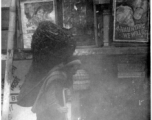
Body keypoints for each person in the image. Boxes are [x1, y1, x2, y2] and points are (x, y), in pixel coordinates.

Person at [17, 21, 81, 120]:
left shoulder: (49, 64)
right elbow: (51, 98)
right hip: (49, 110)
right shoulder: (56, 74)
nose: (75, 72)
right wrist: (60, 109)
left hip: (46, 108)